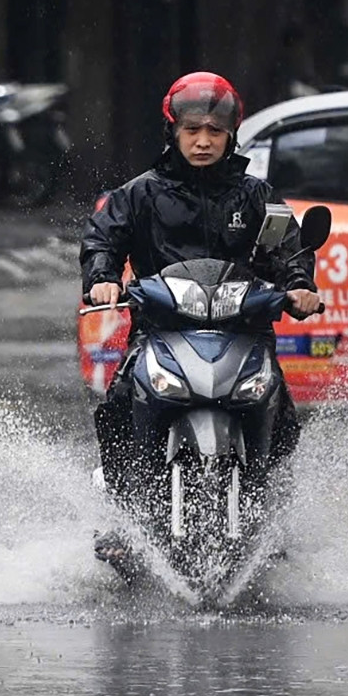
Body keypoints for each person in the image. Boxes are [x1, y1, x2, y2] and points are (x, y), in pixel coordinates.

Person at [81, 73, 323, 533]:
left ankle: (274, 515)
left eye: (215, 132)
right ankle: (119, 520)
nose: (203, 142)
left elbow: (288, 249)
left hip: (243, 330)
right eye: (193, 131)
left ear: (231, 134)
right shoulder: (139, 194)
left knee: (284, 415)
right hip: (160, 329)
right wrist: (103, 279)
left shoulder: (256, 197)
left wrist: (298, 285)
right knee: (116, 408)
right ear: (173, 131)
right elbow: (102, 242)